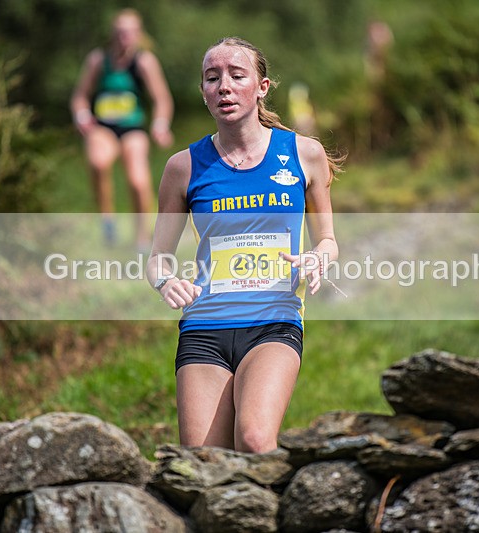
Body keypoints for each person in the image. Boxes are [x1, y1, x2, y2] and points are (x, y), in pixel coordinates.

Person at [146, 37, 341, 453]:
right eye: (212, 78)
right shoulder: (182, 167)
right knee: (203, 463)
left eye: (237, 76)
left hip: (274, 322)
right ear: (203, 92)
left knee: (253, 440)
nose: (224, 87)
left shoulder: (304, 154)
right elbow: (158, 257)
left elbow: (327, 239)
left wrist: (317, 258)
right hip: (204, 328)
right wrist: (166, 282)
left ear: (262, 87)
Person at [71, 8, 174, 251]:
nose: (124, 37)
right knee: (98, 162)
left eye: (130, 32)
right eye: (120, 32)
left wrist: (160, 125)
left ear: (138, 34)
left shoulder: (144, 62)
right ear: (113, 33)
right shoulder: (98, 60)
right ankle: (107, 220)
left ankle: (142, 237)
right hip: (103, 127)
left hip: (133, 129)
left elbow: (162, 99)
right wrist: (82, 116)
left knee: (138, 181)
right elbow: (80, 96)